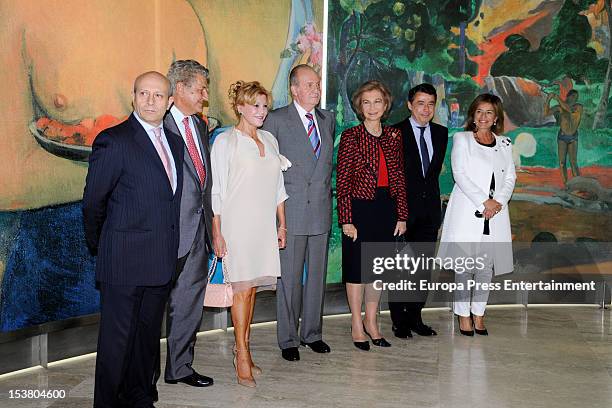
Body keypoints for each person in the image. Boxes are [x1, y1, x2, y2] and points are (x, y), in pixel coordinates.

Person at [82, 71, 183, 407]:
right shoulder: (114, 140)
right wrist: (104, 246)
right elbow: (93, 203)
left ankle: (140, 398)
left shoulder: (175, 142)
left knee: (146, 340)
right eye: (144, 93)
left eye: (158, 96)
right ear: (133, 97)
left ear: (170, 103)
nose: (150, 101)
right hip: (123, 262)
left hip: (160, 263)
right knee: (116, 342)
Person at [210, 81, 289, 387]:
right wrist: (217, 232)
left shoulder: (269, 140)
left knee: (253, 289)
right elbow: (216, 191)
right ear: (240, 107)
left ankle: (244, 347)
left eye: (265, 106)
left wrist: (281, 224)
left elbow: (278, 189)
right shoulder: (225, 142)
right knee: (241, 289)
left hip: (263, 227)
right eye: (254, 105)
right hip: (236, 225)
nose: (261, 111)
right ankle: (241, 353)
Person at [262, 64, 335, 362]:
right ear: (293, 89)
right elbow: (267, 171)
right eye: (308, 85)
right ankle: (288, 338)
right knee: (289, 279)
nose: (315, 89)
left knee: (317, 277)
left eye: (317, 84)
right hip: (289, 214)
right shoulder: (276, 120)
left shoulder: (327, 119)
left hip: (320, 210)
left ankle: (313, 334)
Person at [336, 80, 408, 350]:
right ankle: (356, 323)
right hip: (359, 208)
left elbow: (399, 177)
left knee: (377, 269)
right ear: (359, 107)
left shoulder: (394, 136)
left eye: (377, 101)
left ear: (385, 104)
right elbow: (342, 182)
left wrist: (401, 215)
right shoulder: (351, 137)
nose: (372, 107)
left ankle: (372, 322)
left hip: (386, 208)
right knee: (357, 270)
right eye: (366, 102)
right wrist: (346, 219)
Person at [437, 93, 516, 336]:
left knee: (485, 268)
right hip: (468, 212)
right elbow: (460, 174)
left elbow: (510, 177)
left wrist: (497, 203)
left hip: (495, 215)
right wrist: (485, 202)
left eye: (489, 112)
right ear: (473, 115)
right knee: (464, 267)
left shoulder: (504, 144)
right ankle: (463, 315)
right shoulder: (462, 139)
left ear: (496, 118)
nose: (483, 117)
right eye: (479, 111)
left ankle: (479, 313)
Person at [156, 60, 214, 389]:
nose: (205, 96)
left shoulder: (200, 126)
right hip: (165, 233)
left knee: (189, 302)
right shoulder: (157, 126)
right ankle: (142, 374)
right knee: (151, 306)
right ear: (179, 89)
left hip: (198, 231)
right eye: (200, 89)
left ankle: (179, 367)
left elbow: (203, 182)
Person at [390, 83, 449, 338]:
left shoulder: (441, 133)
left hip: (429, 214)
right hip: (402, 214)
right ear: (410, 105)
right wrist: (398, 213)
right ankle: (399, 320)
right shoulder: (394, 133)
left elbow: (432, 176)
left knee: (422, 268)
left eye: (431, 104)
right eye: (421, 103)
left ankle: (415, 317)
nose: (426, 109)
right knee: (402, 267)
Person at [544, 89, 583, 186]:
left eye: (576, 97)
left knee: (573, 162)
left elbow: (569, 110)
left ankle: (578, 185)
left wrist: (557, 98)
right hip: (562, 136)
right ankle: (566, 185)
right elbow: (546, 113)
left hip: (573, 137)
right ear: (568, 96)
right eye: (573, 96)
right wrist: (548, 99)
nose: (575, 99)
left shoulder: (578, 107)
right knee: (562, 163)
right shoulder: (560, 107)